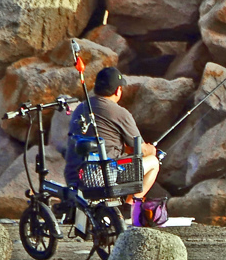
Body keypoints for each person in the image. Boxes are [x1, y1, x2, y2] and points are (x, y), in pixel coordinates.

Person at [63, 66, 159, 201]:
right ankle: (129, 207)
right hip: (101, 178)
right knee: (154, 162)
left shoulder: (81, 107)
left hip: (74, 177)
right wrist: (152, 150)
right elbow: (142, 149)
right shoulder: (120, 113)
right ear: (118, 90)